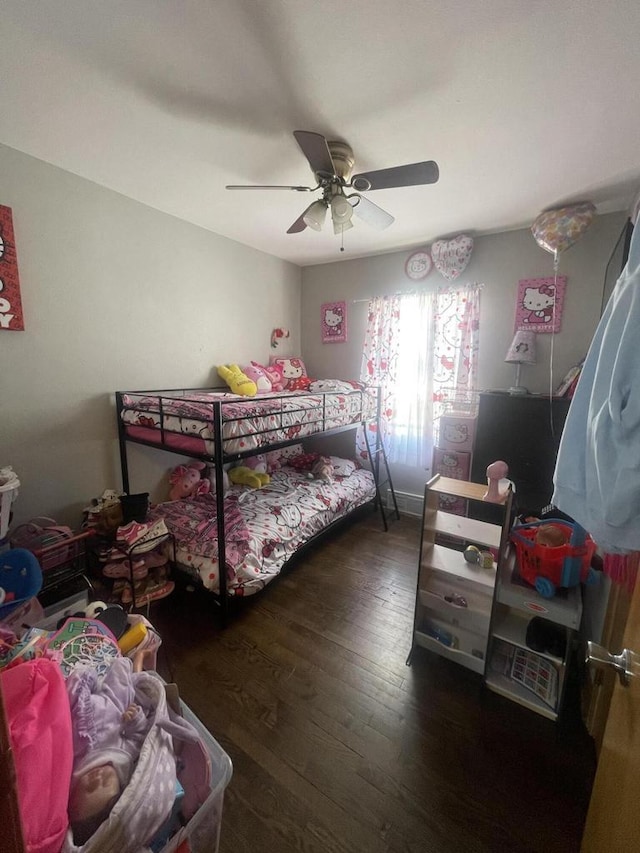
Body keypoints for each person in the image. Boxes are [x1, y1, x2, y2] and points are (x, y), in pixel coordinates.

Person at [66, 649, 154, 845]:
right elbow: (140, 739)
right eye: (105, 782)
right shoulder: (125, 761)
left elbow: (64, 725)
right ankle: (137, 657)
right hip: (119, 707)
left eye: (89, 787)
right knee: (129, 682)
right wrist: (136, 721)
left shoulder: (74, 764)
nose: (97, 777)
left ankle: (135, 658)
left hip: (90, 707)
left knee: (115, 673)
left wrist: (83, 686)